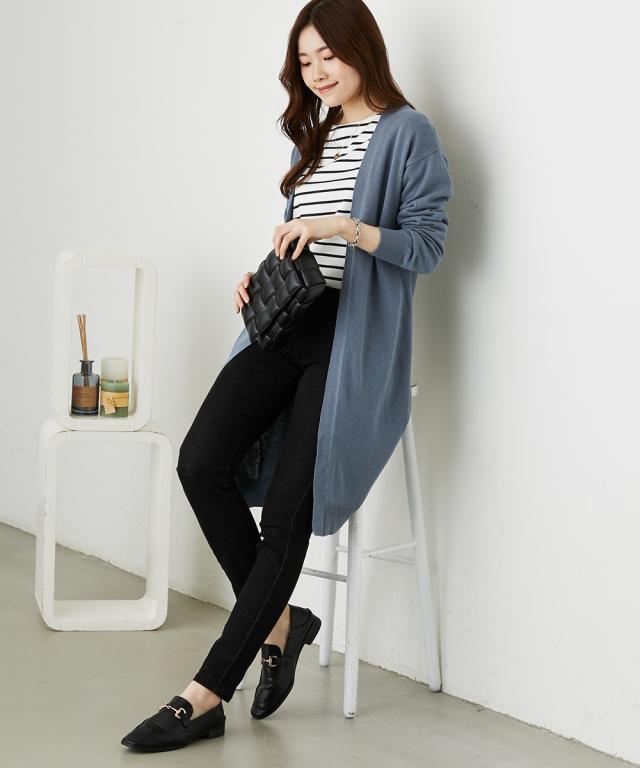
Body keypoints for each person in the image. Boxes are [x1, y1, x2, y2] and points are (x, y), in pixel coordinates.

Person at [121, 0, 453, 752]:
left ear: (362, 47)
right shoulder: (320, 132)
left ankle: (206, 694)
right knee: (200, 461)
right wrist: (260, 272)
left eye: (328, 55)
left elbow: (428, 247)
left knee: (286, 517)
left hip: (350, 340)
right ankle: (283, 623)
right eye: (305, 62)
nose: (318, 72)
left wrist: (345, 228)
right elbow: (304, 243)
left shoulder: (409, 133)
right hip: (284, 324)